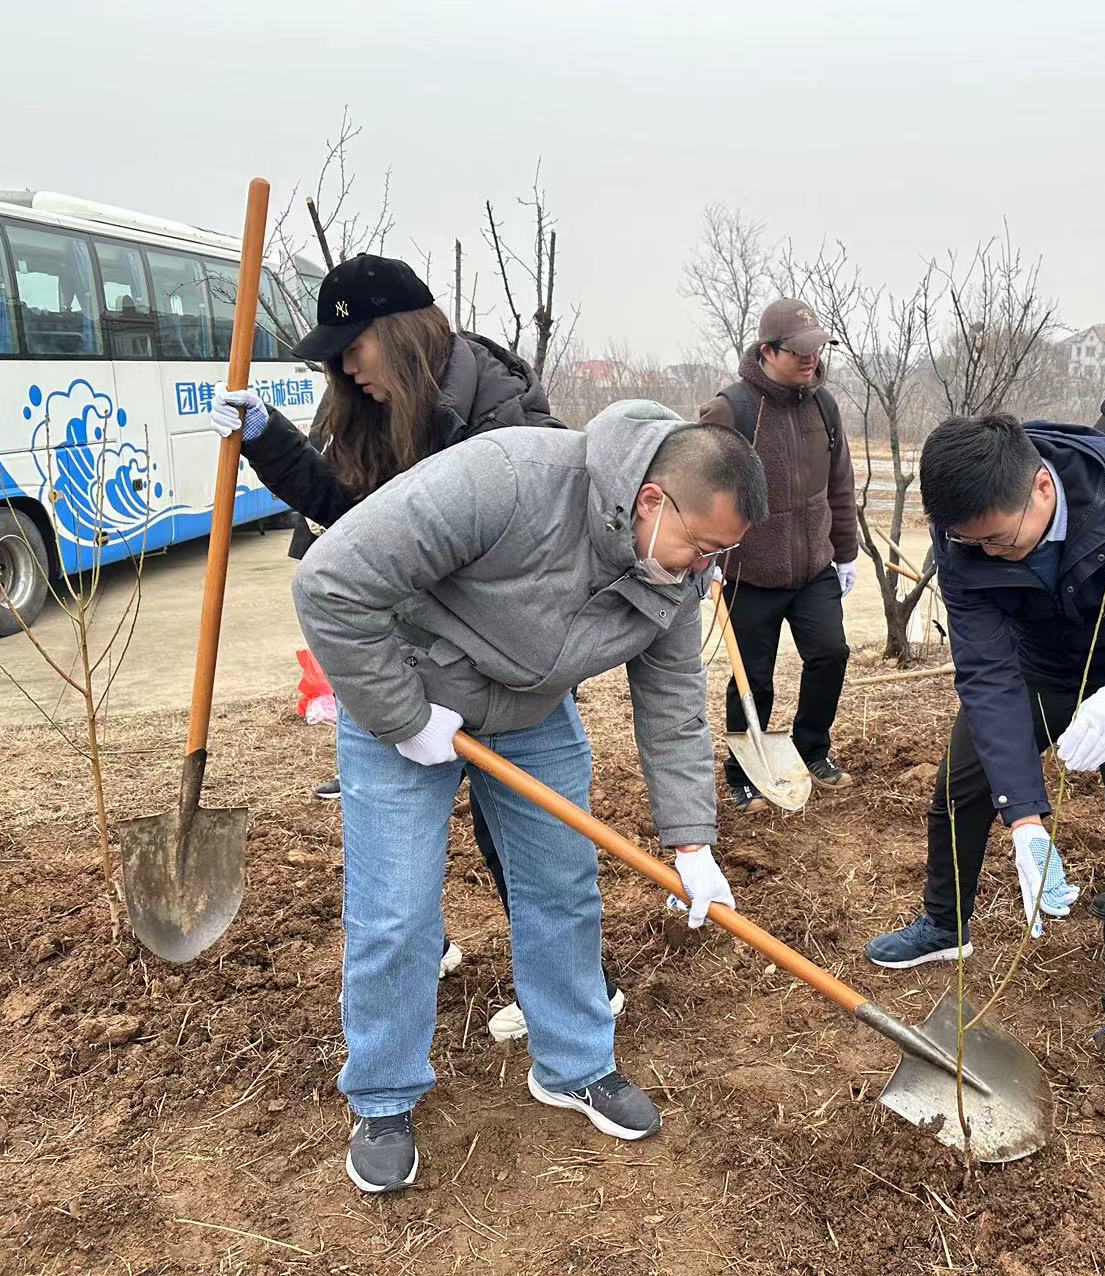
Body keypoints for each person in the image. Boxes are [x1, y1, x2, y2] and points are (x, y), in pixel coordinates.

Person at [292, 400, 767, 1192]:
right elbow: (331, 584)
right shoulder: (508, 477)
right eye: (701, 546)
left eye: (720, 554)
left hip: (532, 714)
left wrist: (692, 841)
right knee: (397, 909)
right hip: (406, 692)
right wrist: (404, 716)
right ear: (652, 501)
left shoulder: (680, 575)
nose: (703, 569)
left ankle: (573, 1062)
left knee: (562, 888)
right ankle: (382, 1093)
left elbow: (674, 699)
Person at [206, 253, 623, 1032]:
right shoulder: (379, 410)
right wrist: (268, 439)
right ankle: (411, 969)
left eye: (353, 350)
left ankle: (570, 990)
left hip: (504, 668)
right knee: (395, 876)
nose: (346, 371)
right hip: (409, 667)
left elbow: (539, 558)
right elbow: (345, 513)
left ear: (398, 334)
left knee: (526, 843)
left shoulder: (506, 417)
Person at [864, 414, 1105, 1104]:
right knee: (961, 785)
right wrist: (1026, 821)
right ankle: (948, 922)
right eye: (972, 542)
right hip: (1034, 670)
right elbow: (987, 673)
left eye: (999, 537)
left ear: (1041, 489)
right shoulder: (963, 526)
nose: (989, 553)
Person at [697, 298, 859, 810]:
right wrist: (707, 556)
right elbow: (701, 485)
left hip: (814, 566)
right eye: (800, 352)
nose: (812, 360)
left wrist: (846, 552)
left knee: (831, 653)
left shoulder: (823, 405)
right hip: (751, 573)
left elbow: (839, 482)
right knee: (754, 679)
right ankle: (744, 771)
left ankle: (812, 749)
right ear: (768, 351)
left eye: (817, 350)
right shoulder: (733, 409)